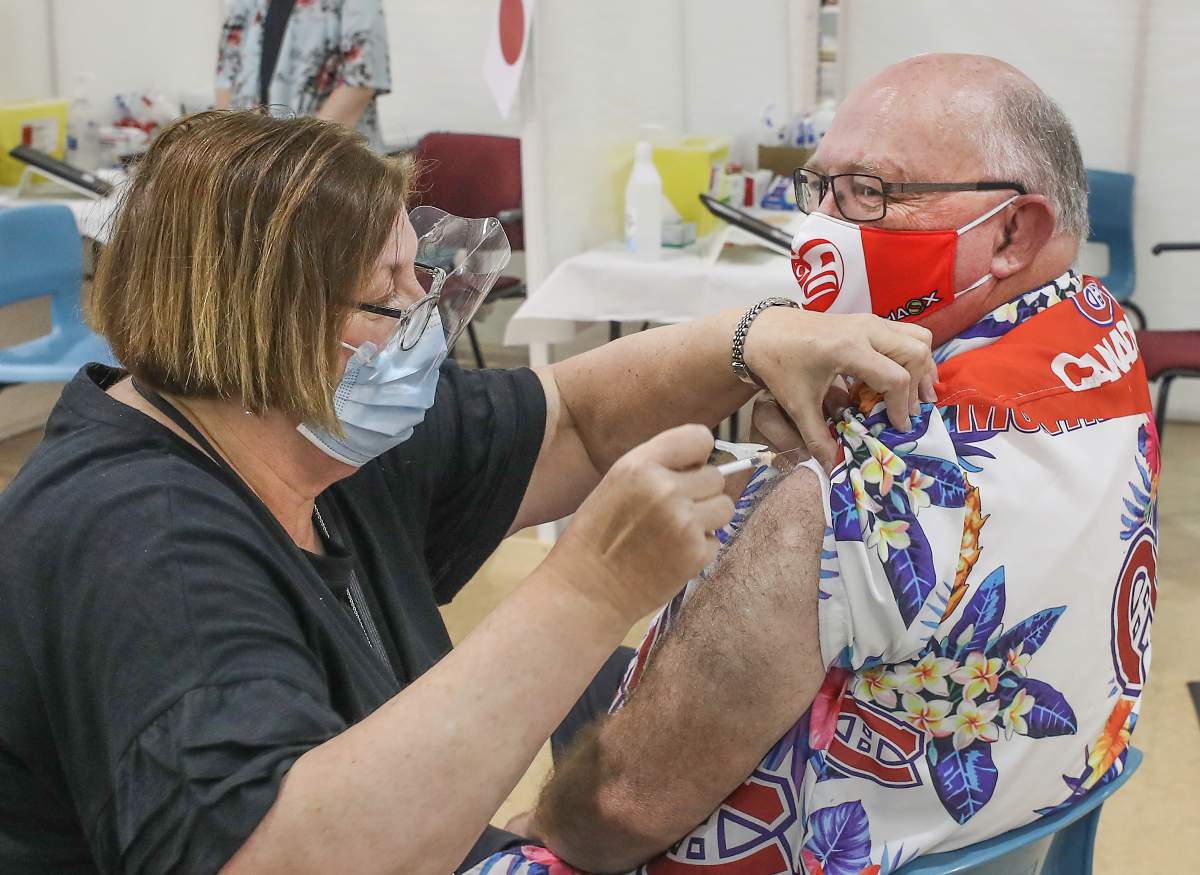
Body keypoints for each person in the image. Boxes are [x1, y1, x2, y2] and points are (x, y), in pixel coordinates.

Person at [0, 110, 936, 875]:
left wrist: (753, 338)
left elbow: (569, 415)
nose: (419, 324)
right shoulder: (143, 546)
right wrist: (588, 589)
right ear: (259, 329)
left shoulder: (312, 426)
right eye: (385, 297)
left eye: (421, 275)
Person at [477, 54, 1159, 874]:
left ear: (1015, 231)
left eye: (870, 192)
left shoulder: (855, 488)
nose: (823, 229)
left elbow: (621, 811)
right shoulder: (1100, 339)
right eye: (821, 189)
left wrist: (538, 820)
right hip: (1004, 806)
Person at [215, 0, 391, 151]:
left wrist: (297, 160)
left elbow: (360, 82)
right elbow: (227, 72)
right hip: (253, 162)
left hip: (330, 165)